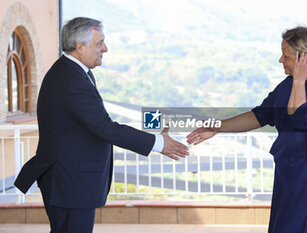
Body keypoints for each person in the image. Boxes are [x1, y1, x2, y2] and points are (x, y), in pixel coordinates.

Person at [14, 17, 188, 233]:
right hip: (70, 183)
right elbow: (106, 128)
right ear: (80, 47)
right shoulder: (73, 81)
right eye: (99, 43)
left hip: (67, 180)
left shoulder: (70, 71)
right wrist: (159, 143)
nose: (105, 48)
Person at [187, 26, 307, 233]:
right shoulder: (287, 85)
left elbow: (300, 118)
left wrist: (299, 80)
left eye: (286, 56)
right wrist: (218, 127)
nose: (281, 60)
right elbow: (260, 115)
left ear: (304, 58)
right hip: (289, 177)